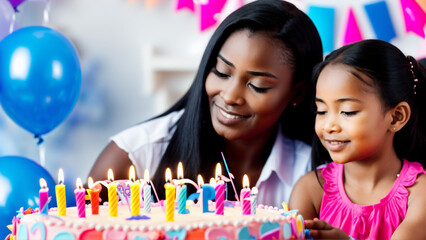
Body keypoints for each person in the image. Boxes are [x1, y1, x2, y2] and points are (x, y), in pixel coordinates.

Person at [89, 0, 323, 207]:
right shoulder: (135, 156)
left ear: (298, 93)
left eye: (258, 86)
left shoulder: (313, 176)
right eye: (222, 72)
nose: (230, 96)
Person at [289, 39, 426, 239]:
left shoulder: (419, 193)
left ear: (396, 116)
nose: (329, 126)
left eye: (347, 111)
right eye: (322, 110)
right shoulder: (311, 190)